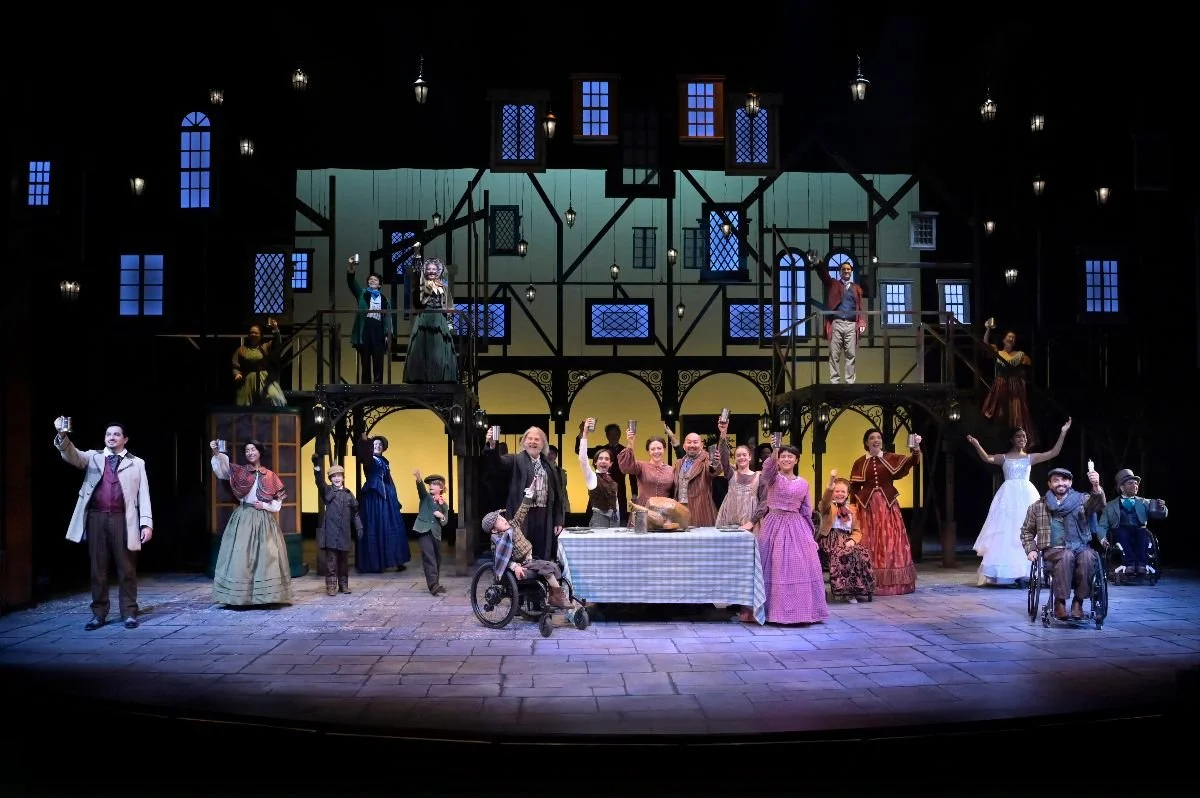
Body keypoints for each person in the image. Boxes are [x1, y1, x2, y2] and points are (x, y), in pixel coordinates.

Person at [53, 418, 153, 631]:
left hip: (123, 519)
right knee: (98, 569)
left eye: (116, 434)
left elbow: (143, 495)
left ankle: (129, 612)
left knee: (127, 568)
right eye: (108, 434)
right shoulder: (93, 457)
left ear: (125, 439)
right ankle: (98, 614)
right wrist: (62, 435)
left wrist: (146, 523)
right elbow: (72, 455)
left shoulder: (137, 463)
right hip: (96, 518)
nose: (111, 437)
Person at [966, 419, 1072, 586]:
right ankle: (1006, 573)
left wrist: (1063, 432)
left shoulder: (1029, 458)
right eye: (1019, 436)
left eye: (1024, 437)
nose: (1022, 439)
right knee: (1007, 531)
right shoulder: (1004, 458)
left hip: (1026, 494)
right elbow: (987, 458)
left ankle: (1028, 572)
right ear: (1012, 439)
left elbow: (1053, 453)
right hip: (1008, 496)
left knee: (1030, 528)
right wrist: (976, 444)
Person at [209, 439, 293, 606]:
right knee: (241, 556)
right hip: (244, 517)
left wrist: (265, 505)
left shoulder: (270, 475)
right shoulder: (240, 472)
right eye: (247, 450)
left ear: (259, 452)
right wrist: (216, 453)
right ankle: (240, 597)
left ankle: (266, 597)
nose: (250, 453)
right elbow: (223, 470)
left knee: (266, 556)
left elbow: (278, 502)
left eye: (253, 449)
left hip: (263, 519)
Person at [756, 435, 829, 624]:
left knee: (800, 567)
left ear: (796, 460)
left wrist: (810, 536)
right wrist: (775, 449)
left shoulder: (803, 483)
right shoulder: (773, 478)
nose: (786, 459)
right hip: (774, 525)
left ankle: (801, 612)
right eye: (783, 456)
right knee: (774, 566)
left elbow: (806, 510)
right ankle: (773, 612)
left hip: (797, 527)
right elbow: (767, 469)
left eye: (790, 456)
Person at [1020, 467, 1107, 620]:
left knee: (1088, 556)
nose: (1061, 483)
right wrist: (1031, 549)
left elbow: (1098, 504)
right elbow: (1026, 531)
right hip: (1054, 550)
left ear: (1070, 482)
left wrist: (1096, 486)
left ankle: (1078, 602)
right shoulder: (1038, 506)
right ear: (1049, 484)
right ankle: (1059, 602)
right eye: (1056, 480)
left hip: (1080, 547)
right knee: (1066, 555)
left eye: (1064, 480)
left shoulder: (1083, 500)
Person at [849, 428, 922, 596]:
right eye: (872, 438)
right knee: (869, 540)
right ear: (866, 442)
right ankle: (868, 581)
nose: (876, 440)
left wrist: (916, 448)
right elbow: (854, 487)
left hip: (888, 506)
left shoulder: (890, 458)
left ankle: (892, 583)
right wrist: (852, 507)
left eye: (878, 437)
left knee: (890, 539)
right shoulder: (860, 462)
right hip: (867, 508)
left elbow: (912, 461)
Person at [484, 426, 566, 562]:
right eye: (530, 439)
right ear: (523, 442)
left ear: (543, 444)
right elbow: (497, 464)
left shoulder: (548, 465)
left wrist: (558, 520)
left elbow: (558, 494)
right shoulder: (515, 460)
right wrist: (492, 445)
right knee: (522, 551)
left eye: (537, 439)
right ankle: (522, 575)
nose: (533, 442)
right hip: (521, 514)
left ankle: (541, 574)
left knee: (542, 551)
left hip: (544, 514)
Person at [484, 488, 571, 609]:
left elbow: (522, 511)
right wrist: (515, 567)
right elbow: (501, 560)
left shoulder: (513, 525)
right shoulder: (498, 540)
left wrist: (529, 494)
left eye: (501, 517)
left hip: (529, 560)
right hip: (520, 565)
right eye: (498, 520)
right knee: (546, 569)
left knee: (554, 566)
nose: (503, 519)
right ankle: (558, 597)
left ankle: (553, 597)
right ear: (494, 530)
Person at [353, 431, 410, 573]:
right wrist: (365, 441)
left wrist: (395, 497)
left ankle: (396, 560)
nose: (377, 446)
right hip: (374, 497)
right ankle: (376, 563)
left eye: (380, 444)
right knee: (376, 526)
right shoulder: (369, 459)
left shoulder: (384, 461)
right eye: (375, 444)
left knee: (392, 527)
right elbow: (365, 453)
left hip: (388, 497)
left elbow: (389, 479)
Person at [816, 470, 876, 603]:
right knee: (844, 554)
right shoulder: (827, 506)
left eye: (843, 491)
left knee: (862, 552)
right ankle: (846, 592)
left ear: (848, 493)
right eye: (836, 491)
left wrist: (852, 540)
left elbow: (857, 530)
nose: (839, 494)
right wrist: (831, 482)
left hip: (847, 539)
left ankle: (859, 589)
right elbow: (825, 500)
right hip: (830, 539)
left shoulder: (852, 509)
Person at [1096, 468, 1167, 578]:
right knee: (1121, 532)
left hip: (1139, 531)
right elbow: (1102, 525)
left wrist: (1161, 508)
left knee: (1144, 532)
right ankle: (1129, 564)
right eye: (1130, 483)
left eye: (1136, 483)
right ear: (1122, 487)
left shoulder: (1144, 502)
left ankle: (1142, 565)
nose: (1135, 486)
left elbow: (1160, 515)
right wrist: (1102, 538)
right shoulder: (1110, 506)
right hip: (1120, 532)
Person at [811, 253, 866, 384]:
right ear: (840, 272)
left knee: (850, 354)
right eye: (844, 269)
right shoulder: (834, 283)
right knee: (834, 354)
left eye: (848, 269)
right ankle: (835, 381)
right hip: (837, 323)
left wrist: (862, 321)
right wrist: (818, 263)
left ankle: (850, 381)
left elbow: (860, 307)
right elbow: (824, 276)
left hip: (851, 324)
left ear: (851, 272)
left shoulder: (856, 288)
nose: (846, 271)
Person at [982, 319, 1037, 446]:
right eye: (1009, 337)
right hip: (1001, 385)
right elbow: (985, 343)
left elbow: (1029, 365)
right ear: (1004, 339)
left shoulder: (1020, 354)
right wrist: (988, 328)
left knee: (1015, 413)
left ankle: (1015, 440)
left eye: (1013, 337)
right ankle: (1001, 438)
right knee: (1000, 412)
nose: (1011, 339)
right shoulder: (998, 352)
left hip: (1014, 386)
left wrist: (1021, 376)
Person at [404, 257, 459, 384]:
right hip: (425, 318)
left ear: (438, 271)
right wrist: (428, 288)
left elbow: (449, 306)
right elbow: (418, 303)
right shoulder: (421, 286)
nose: (431, 271)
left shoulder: (444, 287)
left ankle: (440, 377)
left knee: (439, 349)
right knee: (422, 348)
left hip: (440, 320)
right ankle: (421, 377)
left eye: (434, 269)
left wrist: (450, 324)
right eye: (429, 269)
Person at [313, 457, 362, 596]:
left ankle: (343, 585)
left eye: (339, 475)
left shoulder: (348, 494)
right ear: (330, 479)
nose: (337, 478)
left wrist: (359, 527)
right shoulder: (327, 491)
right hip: (331, 533)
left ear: (343, 477)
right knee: (331, 561)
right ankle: (331, 586)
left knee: (344, 561)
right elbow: (319, 482)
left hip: (344, 533)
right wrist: (317, 467)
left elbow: (355, 513)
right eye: (334, 476)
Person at [671, 419, 731, 528]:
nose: (692, 445)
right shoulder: (679, 463)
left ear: (701, 445)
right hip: (680, 512)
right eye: (689, 442)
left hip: (701, 511)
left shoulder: (707, 459)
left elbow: (714, 469)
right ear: (684, 446)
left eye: (695, 442)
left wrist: (723, 433)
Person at [347, 257, 393, 385]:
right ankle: (366, 385)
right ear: (368, 283)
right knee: (365, 359)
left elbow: (388, 318)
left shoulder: (384, 299)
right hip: (365, 328)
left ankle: (378, 383)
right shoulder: (362, 294)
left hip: (378, 328)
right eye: (370, 279)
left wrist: (387, 333)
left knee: (378, 358)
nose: (372, 281)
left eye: (375, 280)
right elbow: (351, 282)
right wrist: (351, 267)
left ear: (380, 284)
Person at [617, 428, 676, 520]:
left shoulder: (671, 470)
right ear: (648, 451)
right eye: (653, 449)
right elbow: (626, 467)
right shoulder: (641, 466)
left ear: (664, 449)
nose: (656, 451)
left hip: (664, 512)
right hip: (643, 510)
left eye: (659, 448)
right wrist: (630, 443)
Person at [575, 423, 628, 518]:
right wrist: (582, 432)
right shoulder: (600, 450)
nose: (613, 436)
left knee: (619, 519)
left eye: (615, 434)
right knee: (594, 518)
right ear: (607, 435)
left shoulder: (625, 451)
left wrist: (635, 493)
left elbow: (632, 473)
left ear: (619, 435)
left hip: (618, 489)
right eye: (611, 434)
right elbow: (580, 451)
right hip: (599, 487)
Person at [231, 318, 286, 406]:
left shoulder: (266, 346)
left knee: (273, 396)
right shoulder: (241, 350)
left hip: (264, 378)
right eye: (251, 332)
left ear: (260, 335)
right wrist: (237, 374)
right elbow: (235, 365)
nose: (253, 334)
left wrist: (275, 329)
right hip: (248, 379)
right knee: (244, 404)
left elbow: (277, 344)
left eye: (256, 333)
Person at [412, 469, 450, 595]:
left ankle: (436, 583)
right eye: (430, 484)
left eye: (434, 484)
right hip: (424, 530)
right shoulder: (426, 497)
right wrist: (418, 478)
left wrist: (441, 516)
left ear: (441, 487)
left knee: (437, 558)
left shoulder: (444, 504)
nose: (431, 486)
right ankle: (433, 586)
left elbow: (445, 521)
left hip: (436, 533)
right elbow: (421, 489)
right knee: (429, 557)